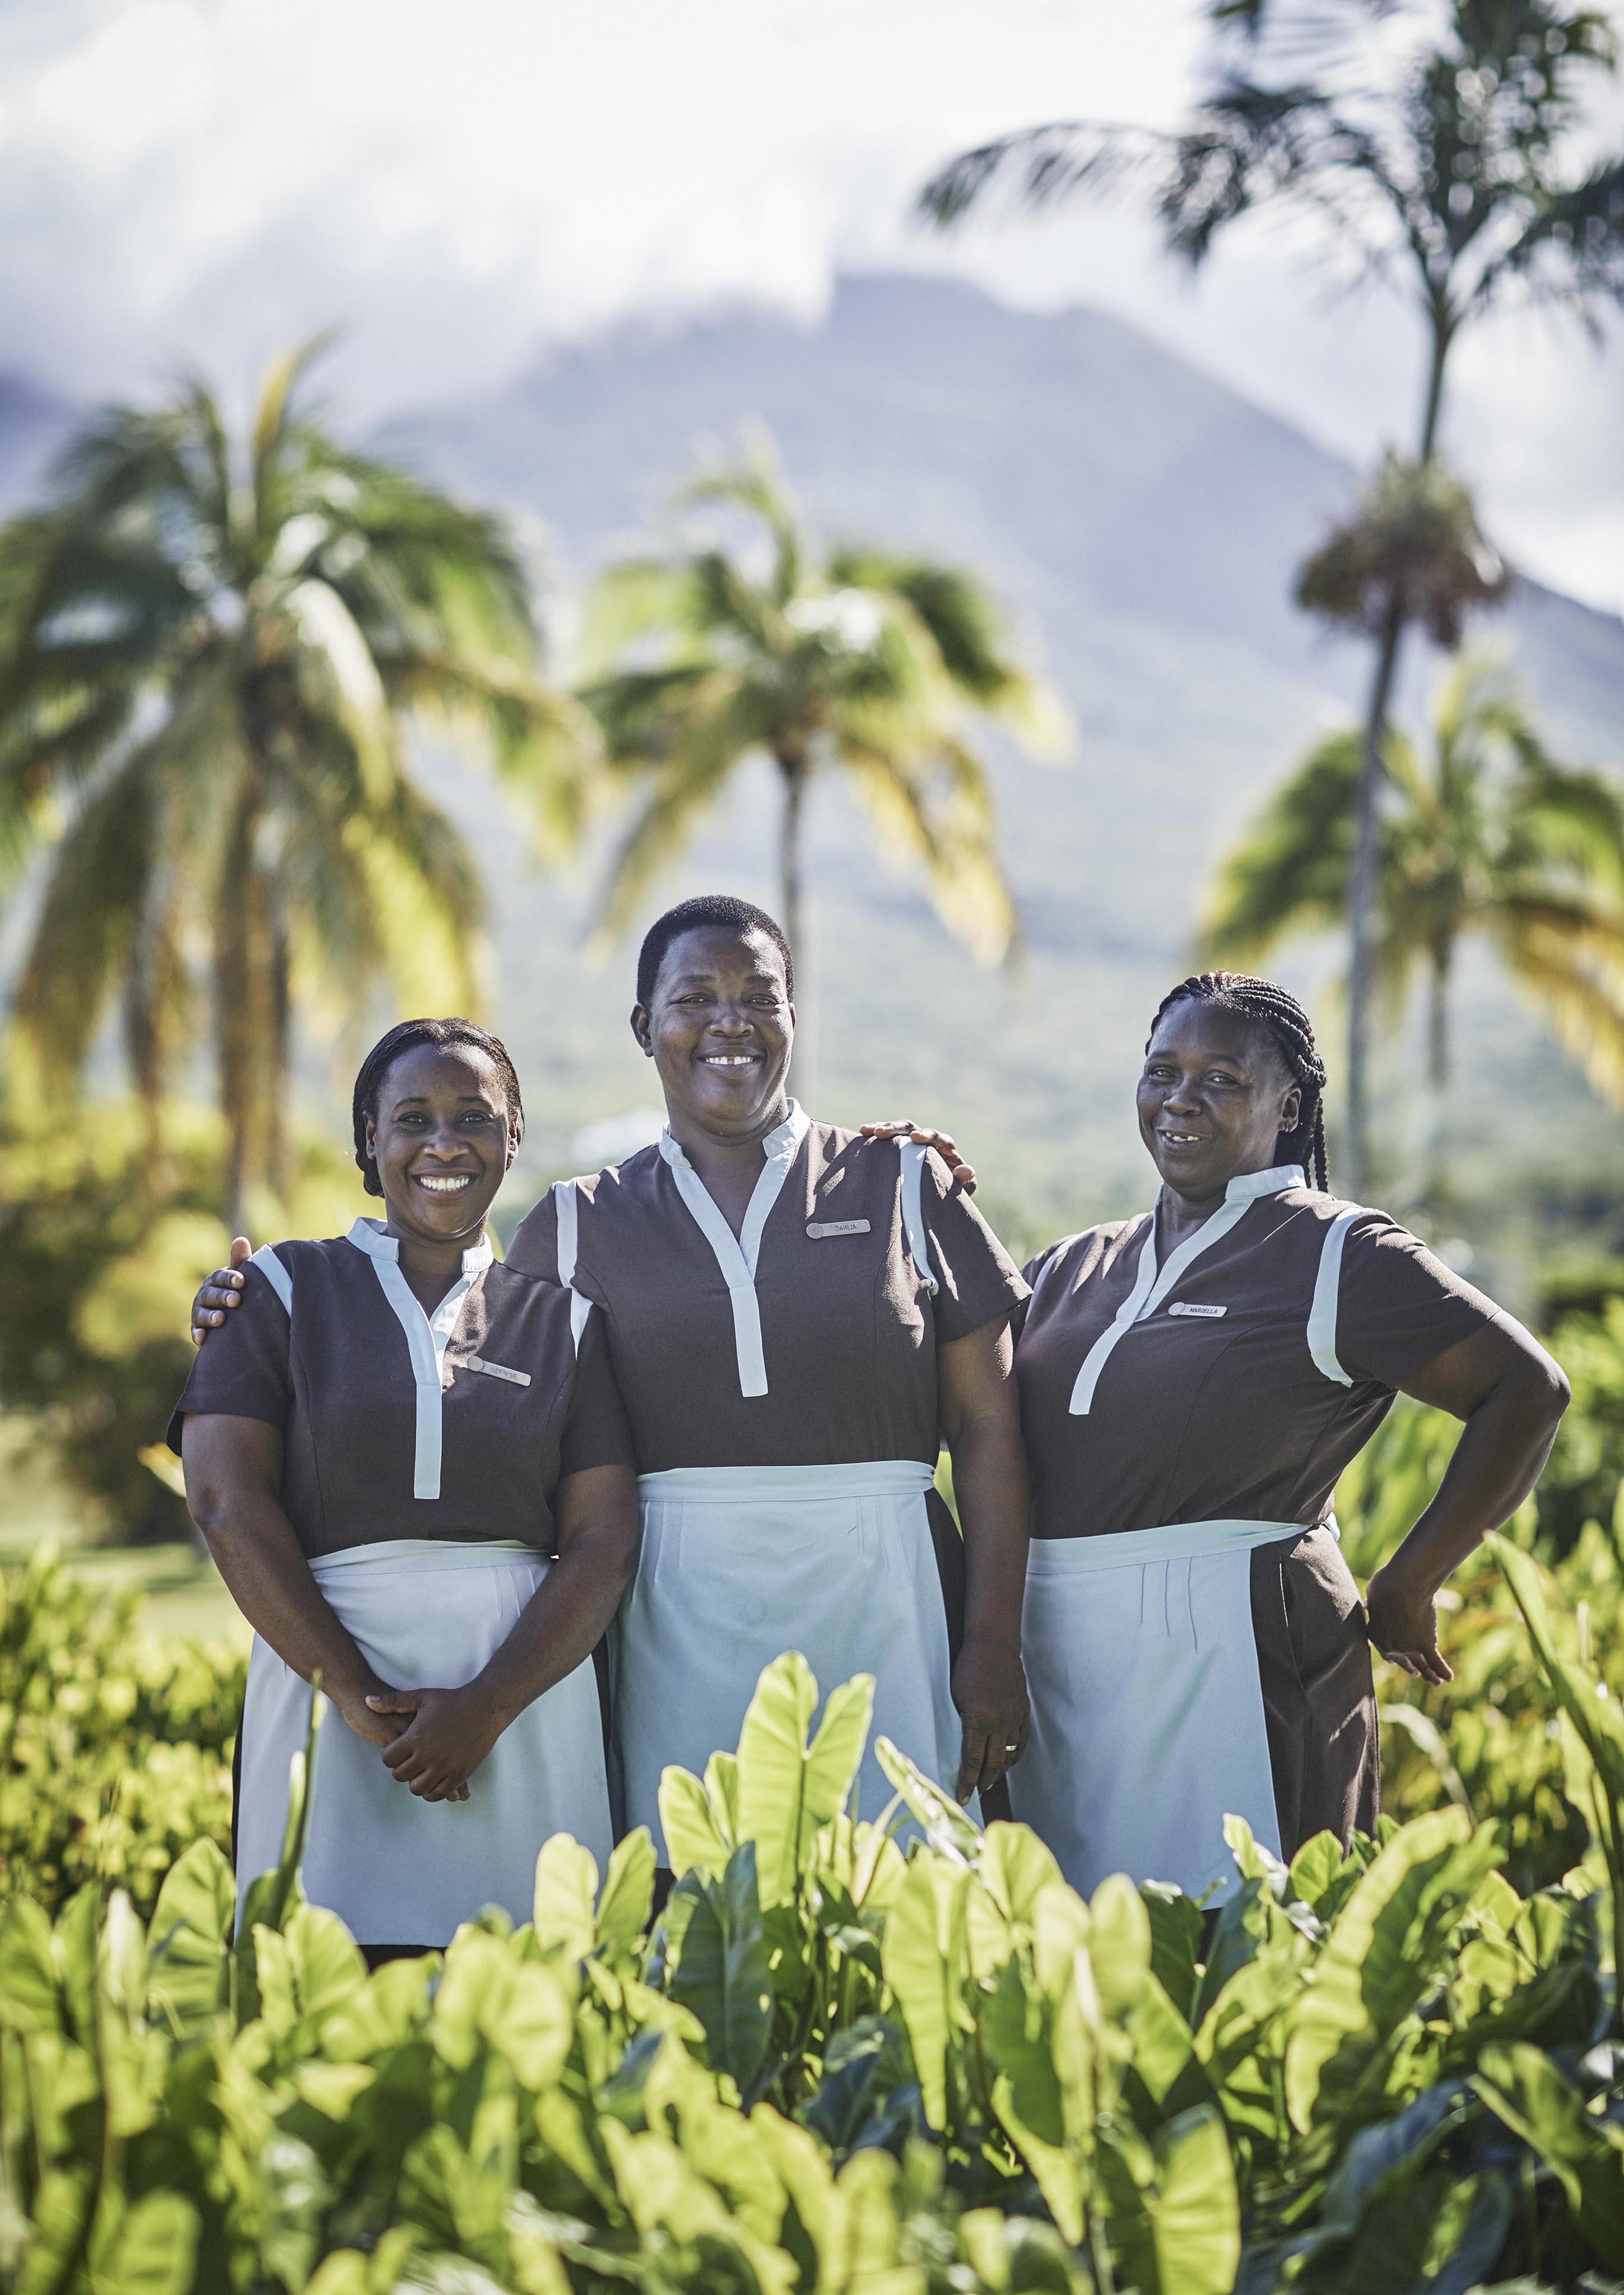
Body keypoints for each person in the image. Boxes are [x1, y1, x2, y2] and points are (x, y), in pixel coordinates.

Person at [194, 897, 1032, 1871]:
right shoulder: (577, 1223)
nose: (729, 1020)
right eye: (694, 998)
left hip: (895, 1598)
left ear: (795, 1014)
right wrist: (241, 1310)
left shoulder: (904, 1185)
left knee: (909, 1889)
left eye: (759, 995)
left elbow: (989, 1426)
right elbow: (446, 1332)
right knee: (691, 1911)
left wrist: (992, 1641)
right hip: (671, 1615)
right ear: (645, 1028)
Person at [872, 972, 1569, 1904]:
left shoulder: (1338, 1255)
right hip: (1053, 1663)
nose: (1180, 1099)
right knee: (1074, 1969)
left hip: (1236, 1662)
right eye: (1162, 1071)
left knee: (1245, 1950)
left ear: (1289, 1107)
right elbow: (954, 1399)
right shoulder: (1079, 1262)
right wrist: (910, 1198)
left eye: (1221, 1079)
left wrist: (1412, 1578)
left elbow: (1526, 1390)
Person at [173, 1018, 639, 1958]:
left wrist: (490, 1706)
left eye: (474, 1117)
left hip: (524, 1694)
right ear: (368, 1144)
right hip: (322, 1681)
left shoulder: (566, 1324)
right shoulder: (278, 1289)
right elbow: (225, 1501)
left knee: (532, 1991)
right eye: (412, 1118)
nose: (443, 1143)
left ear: (512, 1139)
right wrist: (350, 1691)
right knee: (321, 1981)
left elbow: (604, 1542)